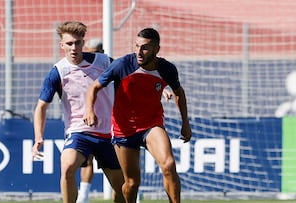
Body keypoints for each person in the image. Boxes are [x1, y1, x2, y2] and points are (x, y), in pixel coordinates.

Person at [83, 28, 192, 203]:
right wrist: (89, 109)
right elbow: (94, 87)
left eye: (145, 48)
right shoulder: (123, 65)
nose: (139, 52)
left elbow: (179, 92)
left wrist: (185, 123)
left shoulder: (167, 69)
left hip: (151, 125)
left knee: (169, 165)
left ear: (157, 49)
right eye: (137, 46)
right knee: (132, 184)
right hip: (123, 129)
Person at [32, 21, 125, 203]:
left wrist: (162, 89)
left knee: (123, 190)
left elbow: (130, 76)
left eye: (77, 43)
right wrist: (38, 138)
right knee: (67, 167)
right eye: (69, 44)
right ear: (62, 45)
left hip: (109, 134)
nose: (73, 48)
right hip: (79, 132)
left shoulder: (104, 61)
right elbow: (41, 107)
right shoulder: (58, 72)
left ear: (83, 43)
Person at [76, 37, 105, 203]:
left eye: (95, 53)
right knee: (86, 158)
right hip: (87, 119)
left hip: (109, 120)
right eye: (89, 53)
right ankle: (84, 196)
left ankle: (132, 193)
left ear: (101, 52)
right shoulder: (80, 69)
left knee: (119, 161)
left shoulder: (109, 66)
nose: (91, 57)